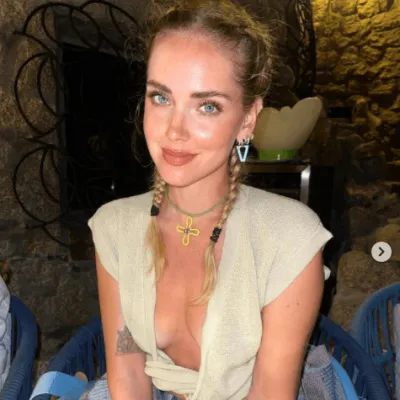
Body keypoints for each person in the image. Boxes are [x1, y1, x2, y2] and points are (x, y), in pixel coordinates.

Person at [87, 1, 333, 399]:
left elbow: (270, 391)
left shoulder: (289, 239)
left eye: (207, 106)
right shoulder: (114, 228)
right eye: (161, 98)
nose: (174, 130)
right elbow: (128, 363)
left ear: (248, 119)